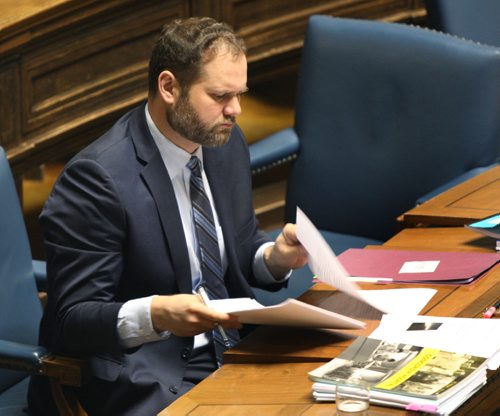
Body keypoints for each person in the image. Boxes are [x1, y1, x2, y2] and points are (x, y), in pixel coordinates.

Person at [28, 16, 308, 415]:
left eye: (240, 93)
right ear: (169, 87)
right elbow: (73, 320)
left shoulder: (224, 142)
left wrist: (273, 259)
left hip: (235, 342)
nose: (237, 110)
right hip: (149, 368)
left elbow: (239, 246)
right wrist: (156, 314)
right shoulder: (97, 178)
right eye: (219, 96)